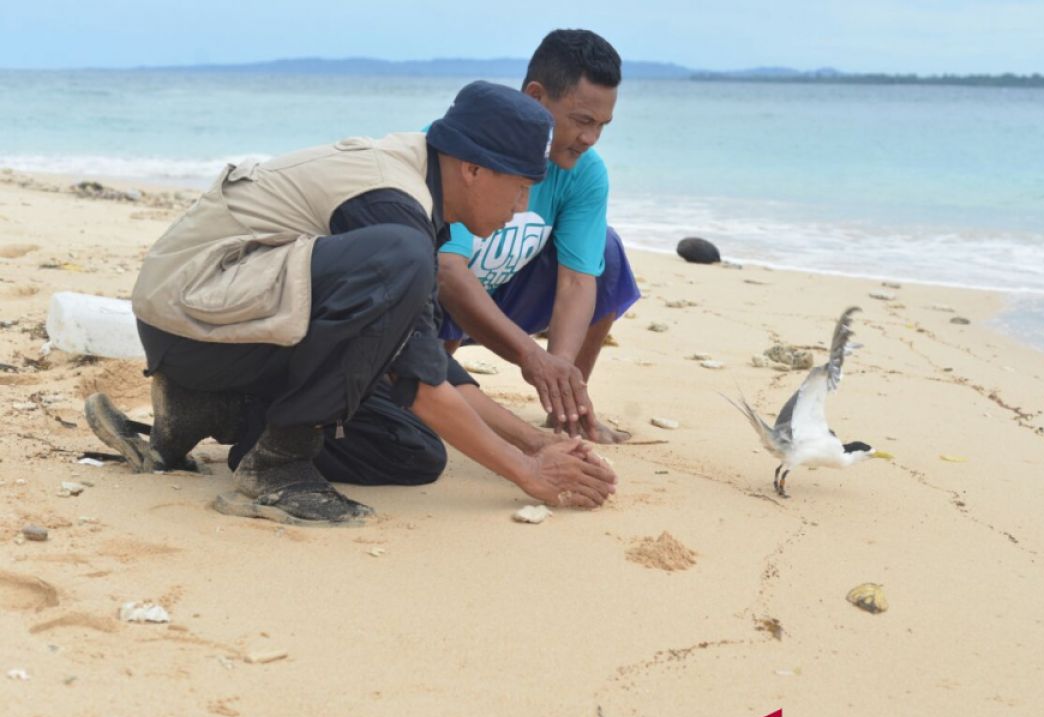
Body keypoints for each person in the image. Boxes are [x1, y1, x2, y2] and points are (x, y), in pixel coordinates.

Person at [84, 81, 617, 527]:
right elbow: (421, 381)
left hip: (231, 324)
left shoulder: (420, 203)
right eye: (520, 188)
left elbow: (425, 358)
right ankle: (274, 468)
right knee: (403, 262)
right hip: (190, 317)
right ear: (473, 169)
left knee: (412, 450)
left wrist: (534, 443)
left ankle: (209, 408)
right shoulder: (394, 206)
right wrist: (526, 474)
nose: (522, 207)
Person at [436, 29, 639, 444]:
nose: (590, 139)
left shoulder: (586, 171)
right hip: (434, 302)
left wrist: (560, 374)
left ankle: (567, 410)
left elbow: (577, 280)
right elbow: (447, 270)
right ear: (535, 97)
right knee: (427, 416)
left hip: (505, 293)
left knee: (606, 251)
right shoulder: (465, 150)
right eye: (582, 121)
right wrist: (532, 356)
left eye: (602, 125)